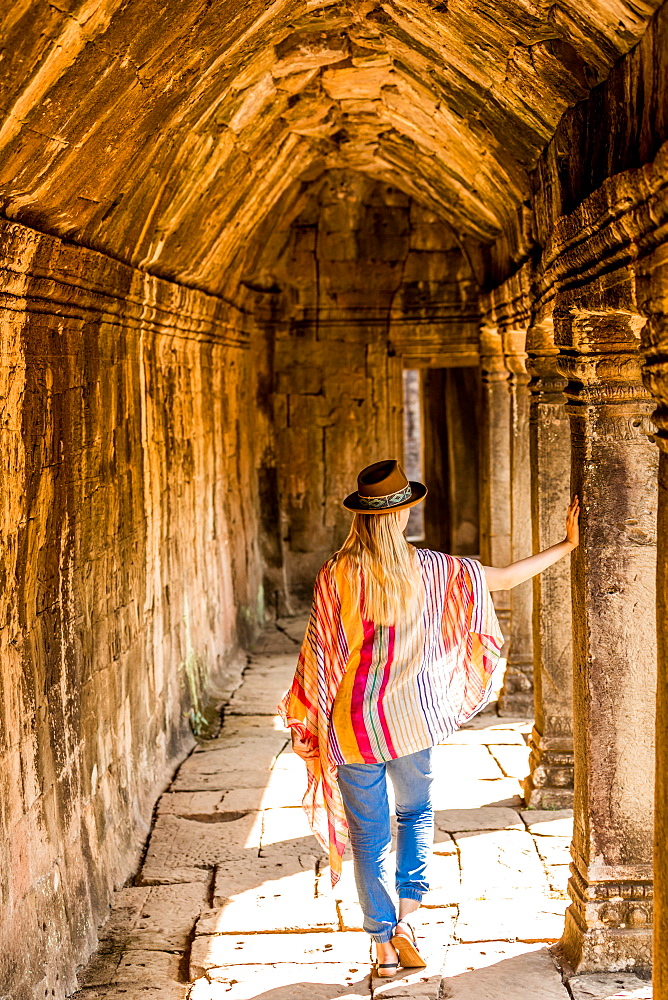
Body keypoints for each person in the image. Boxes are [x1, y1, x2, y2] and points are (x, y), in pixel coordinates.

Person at [278, 459, 580, 978]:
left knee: (367, 836)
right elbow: (504, 580)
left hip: (352, 725)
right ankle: (409, 918)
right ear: (405, 513)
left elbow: (319, 654)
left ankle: (382, 944)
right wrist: (567, 546)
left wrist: (308, 723)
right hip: (411, 721)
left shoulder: (336, 574)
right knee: (414, 814)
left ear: (361, 518)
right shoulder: (435, 569)